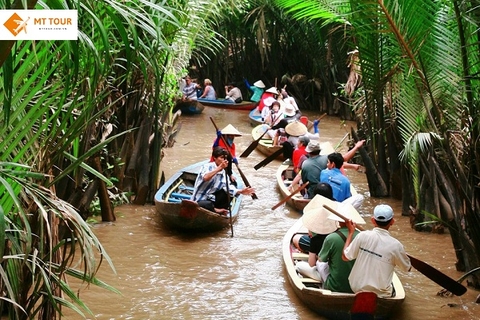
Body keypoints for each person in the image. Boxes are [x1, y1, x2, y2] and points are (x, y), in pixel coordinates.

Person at [296, 195, 366, 293]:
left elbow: (319, 261)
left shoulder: (331, 238)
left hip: (334, 286)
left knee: (306, 265)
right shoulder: (363, 237)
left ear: (338, 220)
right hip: (357, 287)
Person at [342, 204, 411, 298]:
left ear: (373, 220)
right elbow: (407, 268)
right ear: (392, 222)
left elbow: (345, 257)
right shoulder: (396, 246)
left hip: (356, 288)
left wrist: (351, 233)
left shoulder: (362, 236)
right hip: (381, 294)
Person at [191, 147, 255, 214]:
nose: (224, 160)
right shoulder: (207, 167)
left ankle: (220, 210)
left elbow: (228, 187)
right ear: (214, 158)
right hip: (199, 199)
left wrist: (241, 191)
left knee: (230, 192)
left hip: (211, 198)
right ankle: (216, 210)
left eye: (225, 158)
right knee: (206, 204)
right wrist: (219, 168)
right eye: (221, 158)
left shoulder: (224, 173)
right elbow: (206, 177)